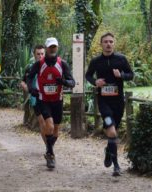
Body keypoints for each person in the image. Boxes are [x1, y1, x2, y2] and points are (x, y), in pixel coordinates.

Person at [86, 32, 134, 176]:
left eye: (111, 42)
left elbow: (131, 74)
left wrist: (122, 76)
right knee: (112, 131)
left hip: (118, 103)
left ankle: (108, 151)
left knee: (113, 133)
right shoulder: (96, 61)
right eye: (105, 41)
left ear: (114, 43)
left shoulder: (121, 59)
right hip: (104, 102)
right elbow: (88, 75)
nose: (108, 44)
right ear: (101, 44)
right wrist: (95, 82)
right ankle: (116, 166)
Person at [27, 37, 75, 169]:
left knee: (56, 131)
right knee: (49, 125)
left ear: (57, 48)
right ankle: (51, 154)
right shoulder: (38, 64)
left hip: (57, 100)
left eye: (55, 47)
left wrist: (63, 82)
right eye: (50, 47)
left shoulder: (62, 64)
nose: (52, 49)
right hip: (44, 100)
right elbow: (29, 77)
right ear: (47, 48)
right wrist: (32, 89)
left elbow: (72, 82)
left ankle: (48, 149)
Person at [20, 44, 46, 145]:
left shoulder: (50, 66)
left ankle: (49, 144)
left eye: (42, 54)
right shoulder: (30, 67)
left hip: (49, 98)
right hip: (35, 98)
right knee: (42, 123)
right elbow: (23, 81)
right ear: (34, 55)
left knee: (49, 123)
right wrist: (27, 87)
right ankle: (48, 146)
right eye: (38, 54)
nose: (40, 56)